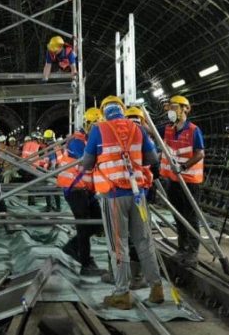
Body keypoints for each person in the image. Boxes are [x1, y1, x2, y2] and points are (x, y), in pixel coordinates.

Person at [79, 96, 164, 310]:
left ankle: (122, 294)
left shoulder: (98, 129)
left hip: (113, 196)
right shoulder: (138, 129)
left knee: (119, 245)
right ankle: (156, 289)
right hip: (138, 194)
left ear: (103, 112)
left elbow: (87, 163)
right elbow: (153, 159)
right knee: (144, 241)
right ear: (123, 111)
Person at [157, 95, 204, 262]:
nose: (171, 111)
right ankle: (182, 248)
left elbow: (200, 153)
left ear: (185, 109)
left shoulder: (193, 130)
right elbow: (151, 132)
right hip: (173, 181)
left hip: (190, 181)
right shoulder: (168, 129)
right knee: (178, 216)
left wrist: (183, 167)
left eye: (175, 107)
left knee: (190, 217)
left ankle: (192, 251)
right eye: (170, 108)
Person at [58, 107, 105, 275]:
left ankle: (72, 247)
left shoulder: (88, 140)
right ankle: (86, 264)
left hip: (87, 189)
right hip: (75, 188)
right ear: (89, 125)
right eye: (96, 126)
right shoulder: (77, 141)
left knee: (99, 222)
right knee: (84, 224)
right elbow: (88, 161)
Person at [41, 129, 62, 211]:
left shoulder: (50, 148)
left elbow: (53, 161)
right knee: (55, 190)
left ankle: (49, 207)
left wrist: (49, 171)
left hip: (52, 171)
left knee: (48, 190)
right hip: (57, 170)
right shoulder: (56, 146)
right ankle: (58, 207)